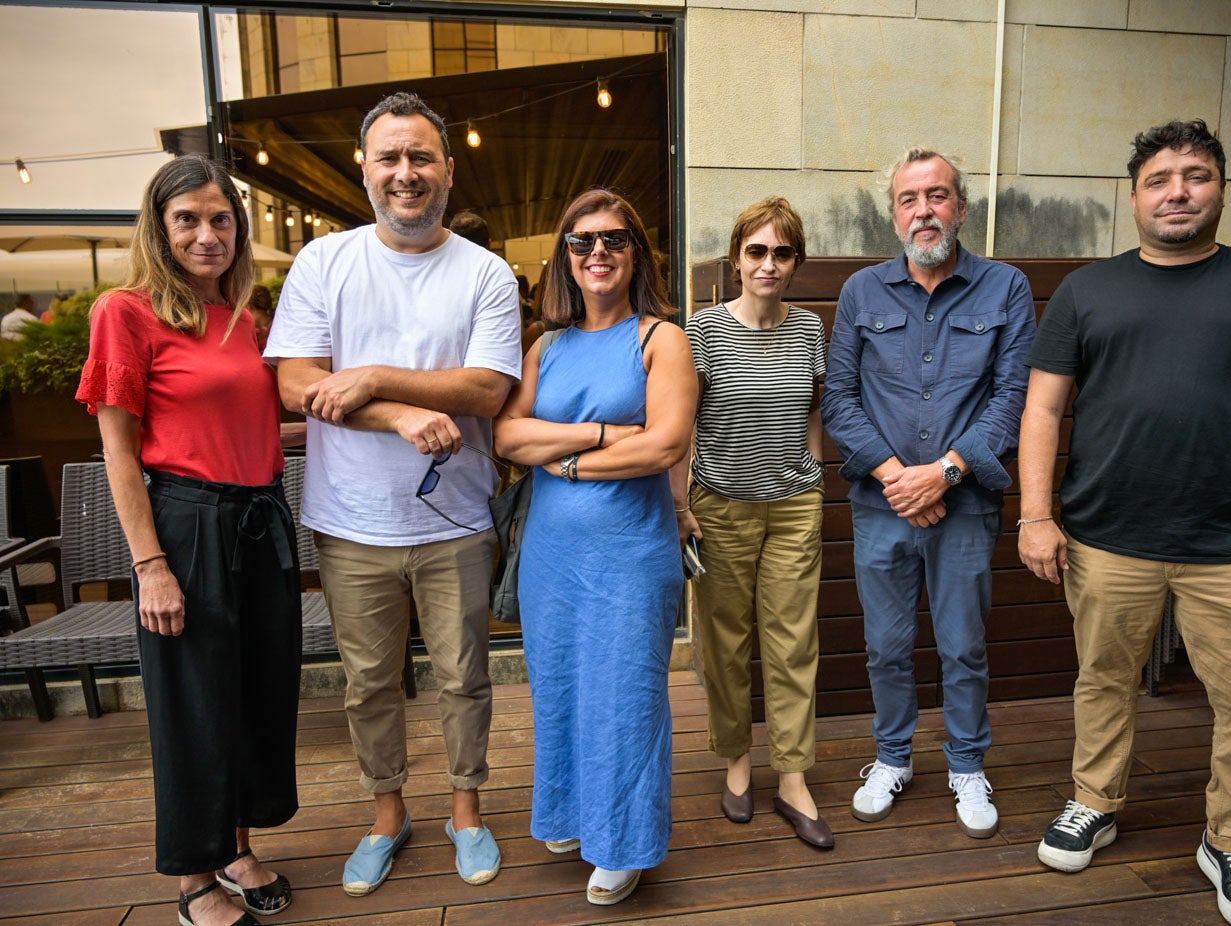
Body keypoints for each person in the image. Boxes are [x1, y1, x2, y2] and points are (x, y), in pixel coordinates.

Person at [1018, 119, 1231, 926]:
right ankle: (1094, 800)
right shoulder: (1089, 290)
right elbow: (1043, 408)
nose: (1177, 191)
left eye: (1195, 175)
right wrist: (1035, 514)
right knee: (1102, 680)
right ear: (1132, 197)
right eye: (1159, 179)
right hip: (1104, 534)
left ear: (1220, 189)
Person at [265, 91, 521, 897]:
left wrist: (370, 376)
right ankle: (387, 816)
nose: (405, 174)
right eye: (390, 158)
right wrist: (405, 410)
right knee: (369, 684)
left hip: (455, 518)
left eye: (420, 158)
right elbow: (297, 383)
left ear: (447, 169)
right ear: (364, 168)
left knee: (463, 677)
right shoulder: (323, 262)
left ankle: (465, 810)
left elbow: (484, 390)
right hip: (350, 521)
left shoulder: (483, 272)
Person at [75, 154, 300, 926]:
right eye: (188, 220)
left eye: (221, 220)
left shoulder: (250, 320)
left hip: (260, 520)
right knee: (194, 705)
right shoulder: (126, 312)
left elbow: (264, 424)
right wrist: (150, 566)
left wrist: (376, 411)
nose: (207, 235)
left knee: (255, 694)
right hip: (186, 523)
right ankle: (193, 879)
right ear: (160, 226)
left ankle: (235, 847)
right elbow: (118, 449)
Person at [822, 147, 1036, 838]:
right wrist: (896, 477)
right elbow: (839, 399)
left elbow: (1011, 398)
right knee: (884, 646)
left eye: (937, 196)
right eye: (909, 199)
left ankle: (966, 764)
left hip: (965, 507)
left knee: (963, 646)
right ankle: (891, 757)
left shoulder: (1004, 288)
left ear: (961, 207)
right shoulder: (860, 292)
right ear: (893, 213)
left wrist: (942, 473)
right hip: (880, 505)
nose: (923, 211)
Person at [493, 188, 697, 906]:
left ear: (635, 252)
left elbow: (666, 443)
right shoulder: (545, 345)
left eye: (613, 239)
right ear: (565, 259)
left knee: (625, 697)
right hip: (553, 555)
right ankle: (572, 815)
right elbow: (506, 437)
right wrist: (604, 435)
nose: (597, 252)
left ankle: (624, 843)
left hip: (630, 552)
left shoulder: (660, 338)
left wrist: (568, 461)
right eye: (582, 242)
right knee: (560, 688)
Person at [677, 196, 832, 848]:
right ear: (736, 258)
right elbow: (680, 423)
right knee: (726, 646)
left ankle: (792, 776)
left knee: (794, 645)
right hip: (719, 508)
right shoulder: (702, 331)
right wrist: (680, 506)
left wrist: (815, 469)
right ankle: (737, 761)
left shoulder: (808, 331)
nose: (768, 265)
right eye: (756, 251)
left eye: (782, 253)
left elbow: (813, 409)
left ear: (795, 262)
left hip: (793, 507)